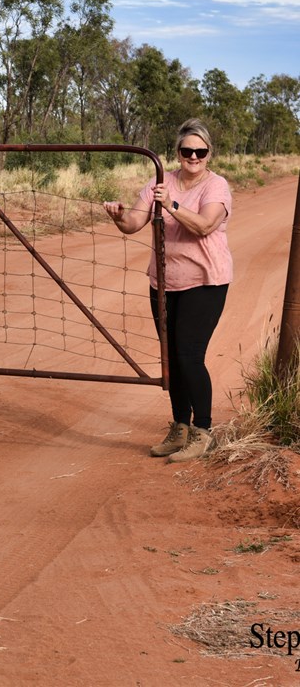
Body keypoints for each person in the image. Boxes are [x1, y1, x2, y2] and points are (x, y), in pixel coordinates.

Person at [103, 118, 233, 463]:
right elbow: (133, 223)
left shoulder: (216, 186)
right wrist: (118, 215)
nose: (193, 156)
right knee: (171, 359)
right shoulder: (161, 181)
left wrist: (171, 205)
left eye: (200, 151)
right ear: (177, 152)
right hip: (164, 281)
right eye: (187, 150)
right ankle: (180, 427)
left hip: (206, 281)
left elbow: (205, 225)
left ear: (209, 153)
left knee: (189, 355)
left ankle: (203, 432)